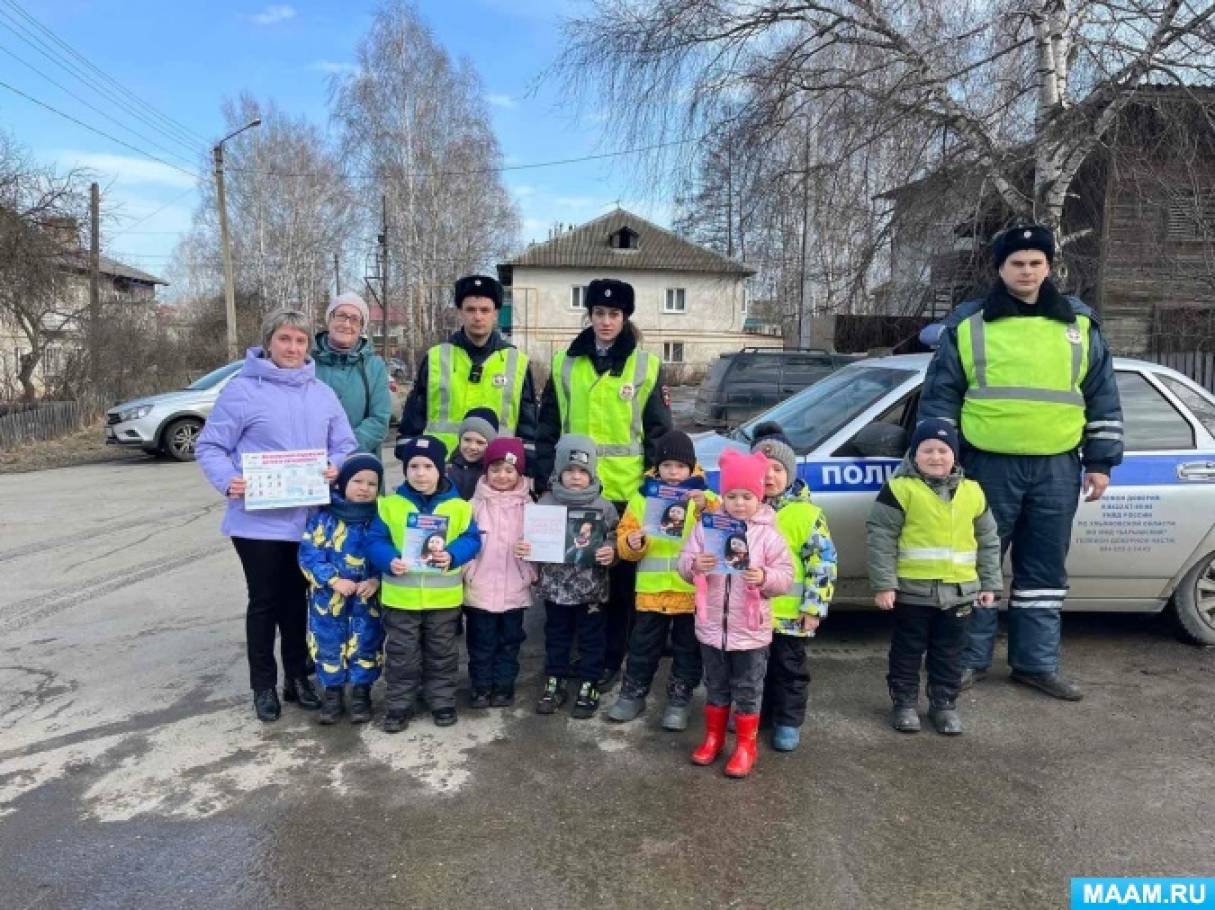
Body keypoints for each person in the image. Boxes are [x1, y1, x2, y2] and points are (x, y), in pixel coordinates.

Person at [919, 223, 1123, 701]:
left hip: (1056, 467)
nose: (1027, 270)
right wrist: (937, 459)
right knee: (978, 566)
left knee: (1044, 571)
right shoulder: (969, 324)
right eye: (1017, 263)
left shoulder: (1079, 325)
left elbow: (1102, 398)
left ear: (1049, 267)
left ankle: (1036, 664)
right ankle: (968, 661)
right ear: (1000, 268)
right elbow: (940, 396)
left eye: (1036, 262)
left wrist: (1101, 462)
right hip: (986, 465)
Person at [196, 309, 357, 723]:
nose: (293, 348)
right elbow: (210, 446)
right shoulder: (242, 390)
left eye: (301, 341)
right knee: (265, 602)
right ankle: (263, 685)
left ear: (309, 346)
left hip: (307, 518)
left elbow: (344, 443)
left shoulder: (321, 393)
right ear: (269, 342)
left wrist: (335, 466)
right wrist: (228, 479)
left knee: (299, 602)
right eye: (285, 339)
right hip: (257, 522)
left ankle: (299, 678)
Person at [535, 278, 673, 690]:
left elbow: (659, 434)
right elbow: (547, 428)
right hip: (573, 491)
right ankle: (572, 657)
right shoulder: (565, 363)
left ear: (625, 317)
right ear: (589, 315)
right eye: (599, 313)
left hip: (624, 494)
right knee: (571, 576)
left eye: (614, 314)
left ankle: (612, 658)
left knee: (616, 582)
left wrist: (654, 489)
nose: (606, 321)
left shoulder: (645, 366)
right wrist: (545, 476)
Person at [866, 419, 1003, 734]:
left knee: (950, 653)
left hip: (959, 593)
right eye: (927, 450)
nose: (936, 457)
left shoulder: (973, 492)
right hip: (912, 593)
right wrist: (885, 584)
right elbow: (880, 537)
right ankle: (904, 704)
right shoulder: (900, 490)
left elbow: (988, 540)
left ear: (954, 456)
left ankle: (943, 705)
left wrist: (990, 583)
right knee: (907, 650)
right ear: (914, 455)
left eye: (943, 450)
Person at [678, 448, 793, 779]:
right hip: (712, 625)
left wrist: (765, 578)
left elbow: (785, 576)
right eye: (731, 496)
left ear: (758, 496)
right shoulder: (707, 528)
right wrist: (694, 565)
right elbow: (685, 562)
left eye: (746, 496)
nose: (739, 503)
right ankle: (713, 737)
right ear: (723, 497)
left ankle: (746, 746)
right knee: (715, 685)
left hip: (751, 630)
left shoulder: (768, 534)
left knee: (747, 689)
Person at [366, 435, 481, 733]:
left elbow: (471, 540)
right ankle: (399, 705)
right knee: (402, 654)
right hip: (400, 598)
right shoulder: (389, 505)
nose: (420, 473)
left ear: (440, 469)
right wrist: (388, 559)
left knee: (442, 652)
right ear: (404, 469)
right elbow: (375, 540)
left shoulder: (458, 506)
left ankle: (441, 700)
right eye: (413, 466)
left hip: (443, 600)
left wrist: (453, 555)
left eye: (428, 466)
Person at [609, 430, 715, 731]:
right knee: (642, 646)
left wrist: (704, 508)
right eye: (667, 466)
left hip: (690, 592)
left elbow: (723, 538)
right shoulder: (641, 498)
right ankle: (633, 693)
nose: (673, 472)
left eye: (680, 466)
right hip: (651, 592)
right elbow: (623, 546)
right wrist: (632, 542)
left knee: (687, 649)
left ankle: (679, 700)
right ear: (656, 468)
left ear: (692, 468)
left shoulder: (706, 499)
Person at [750, 422, 837, 753]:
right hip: (751, 616)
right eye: (761, 469)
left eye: (777, 469)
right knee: (751, 671)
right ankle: (754, 714)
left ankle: (787, 721)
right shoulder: (741, 508)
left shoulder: (806, 513)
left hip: (788, 617)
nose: (769, 476)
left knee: (789, 670)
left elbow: (822, 563)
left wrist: (814, 607)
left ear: (790, 473)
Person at [522, 434, 619, 719]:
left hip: (592, 590)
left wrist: (611, 551)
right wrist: (526, 547)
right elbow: (533, 543)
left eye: (582, 471)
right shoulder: (545, 504)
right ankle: (555, 680)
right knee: (556, 636)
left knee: (592, 639)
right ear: (558, 471)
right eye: (569, 470)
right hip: (555, 590)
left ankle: (589, 682)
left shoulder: (604, 506)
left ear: (592, 473)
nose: (576, 477)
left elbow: (615, 538)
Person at [398, 274, 538, 454]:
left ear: (496, 313)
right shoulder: (436, 357)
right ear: (460, 312)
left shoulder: (517, 362)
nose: (478, 317)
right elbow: (414, 417)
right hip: (443, 468)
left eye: (485, 310)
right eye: (470, 309)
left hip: (497, 472)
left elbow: (528, 425)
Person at [298, 453, 385, 725]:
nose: (364, 488)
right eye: (358, 481)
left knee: (367, 643)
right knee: (328, 645)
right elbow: (309, 554)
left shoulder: (381, 519)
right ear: (342, 484)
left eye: (372, 484)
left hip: (366, 599)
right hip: (328, 599)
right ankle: (332, 694)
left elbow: (390, 552)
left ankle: (361, 693)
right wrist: (332, 579)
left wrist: (376, 580)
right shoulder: (323, 519)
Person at [463, 437, 535, 708]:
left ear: (519, 473)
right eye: (495, 470)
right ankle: (480, 687)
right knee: (480, 643)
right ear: (485, 472)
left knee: (509, 642)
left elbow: (541, 545)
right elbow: (462, 541)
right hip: (479, 588)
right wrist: (467, 571)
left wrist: (531, 560)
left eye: (508, 470)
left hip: (515, 588)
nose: (502, 476)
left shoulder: (530, 508)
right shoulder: (473, 506)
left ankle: (504, 686)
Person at [312, 292, 392, 454]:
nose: (347, 324)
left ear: (361, 327)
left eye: (355, 319)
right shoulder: (306, 361)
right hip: (313, 462)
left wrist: (343, 449)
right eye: (341, 316)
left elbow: (379, 420)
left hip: (359, 467)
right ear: (329, 319)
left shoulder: (374, 366)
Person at [447, 407, 499, 500]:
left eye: (480, 442)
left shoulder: (494, 472)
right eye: (467, 440)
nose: (472, 447)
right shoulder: (447, 469)